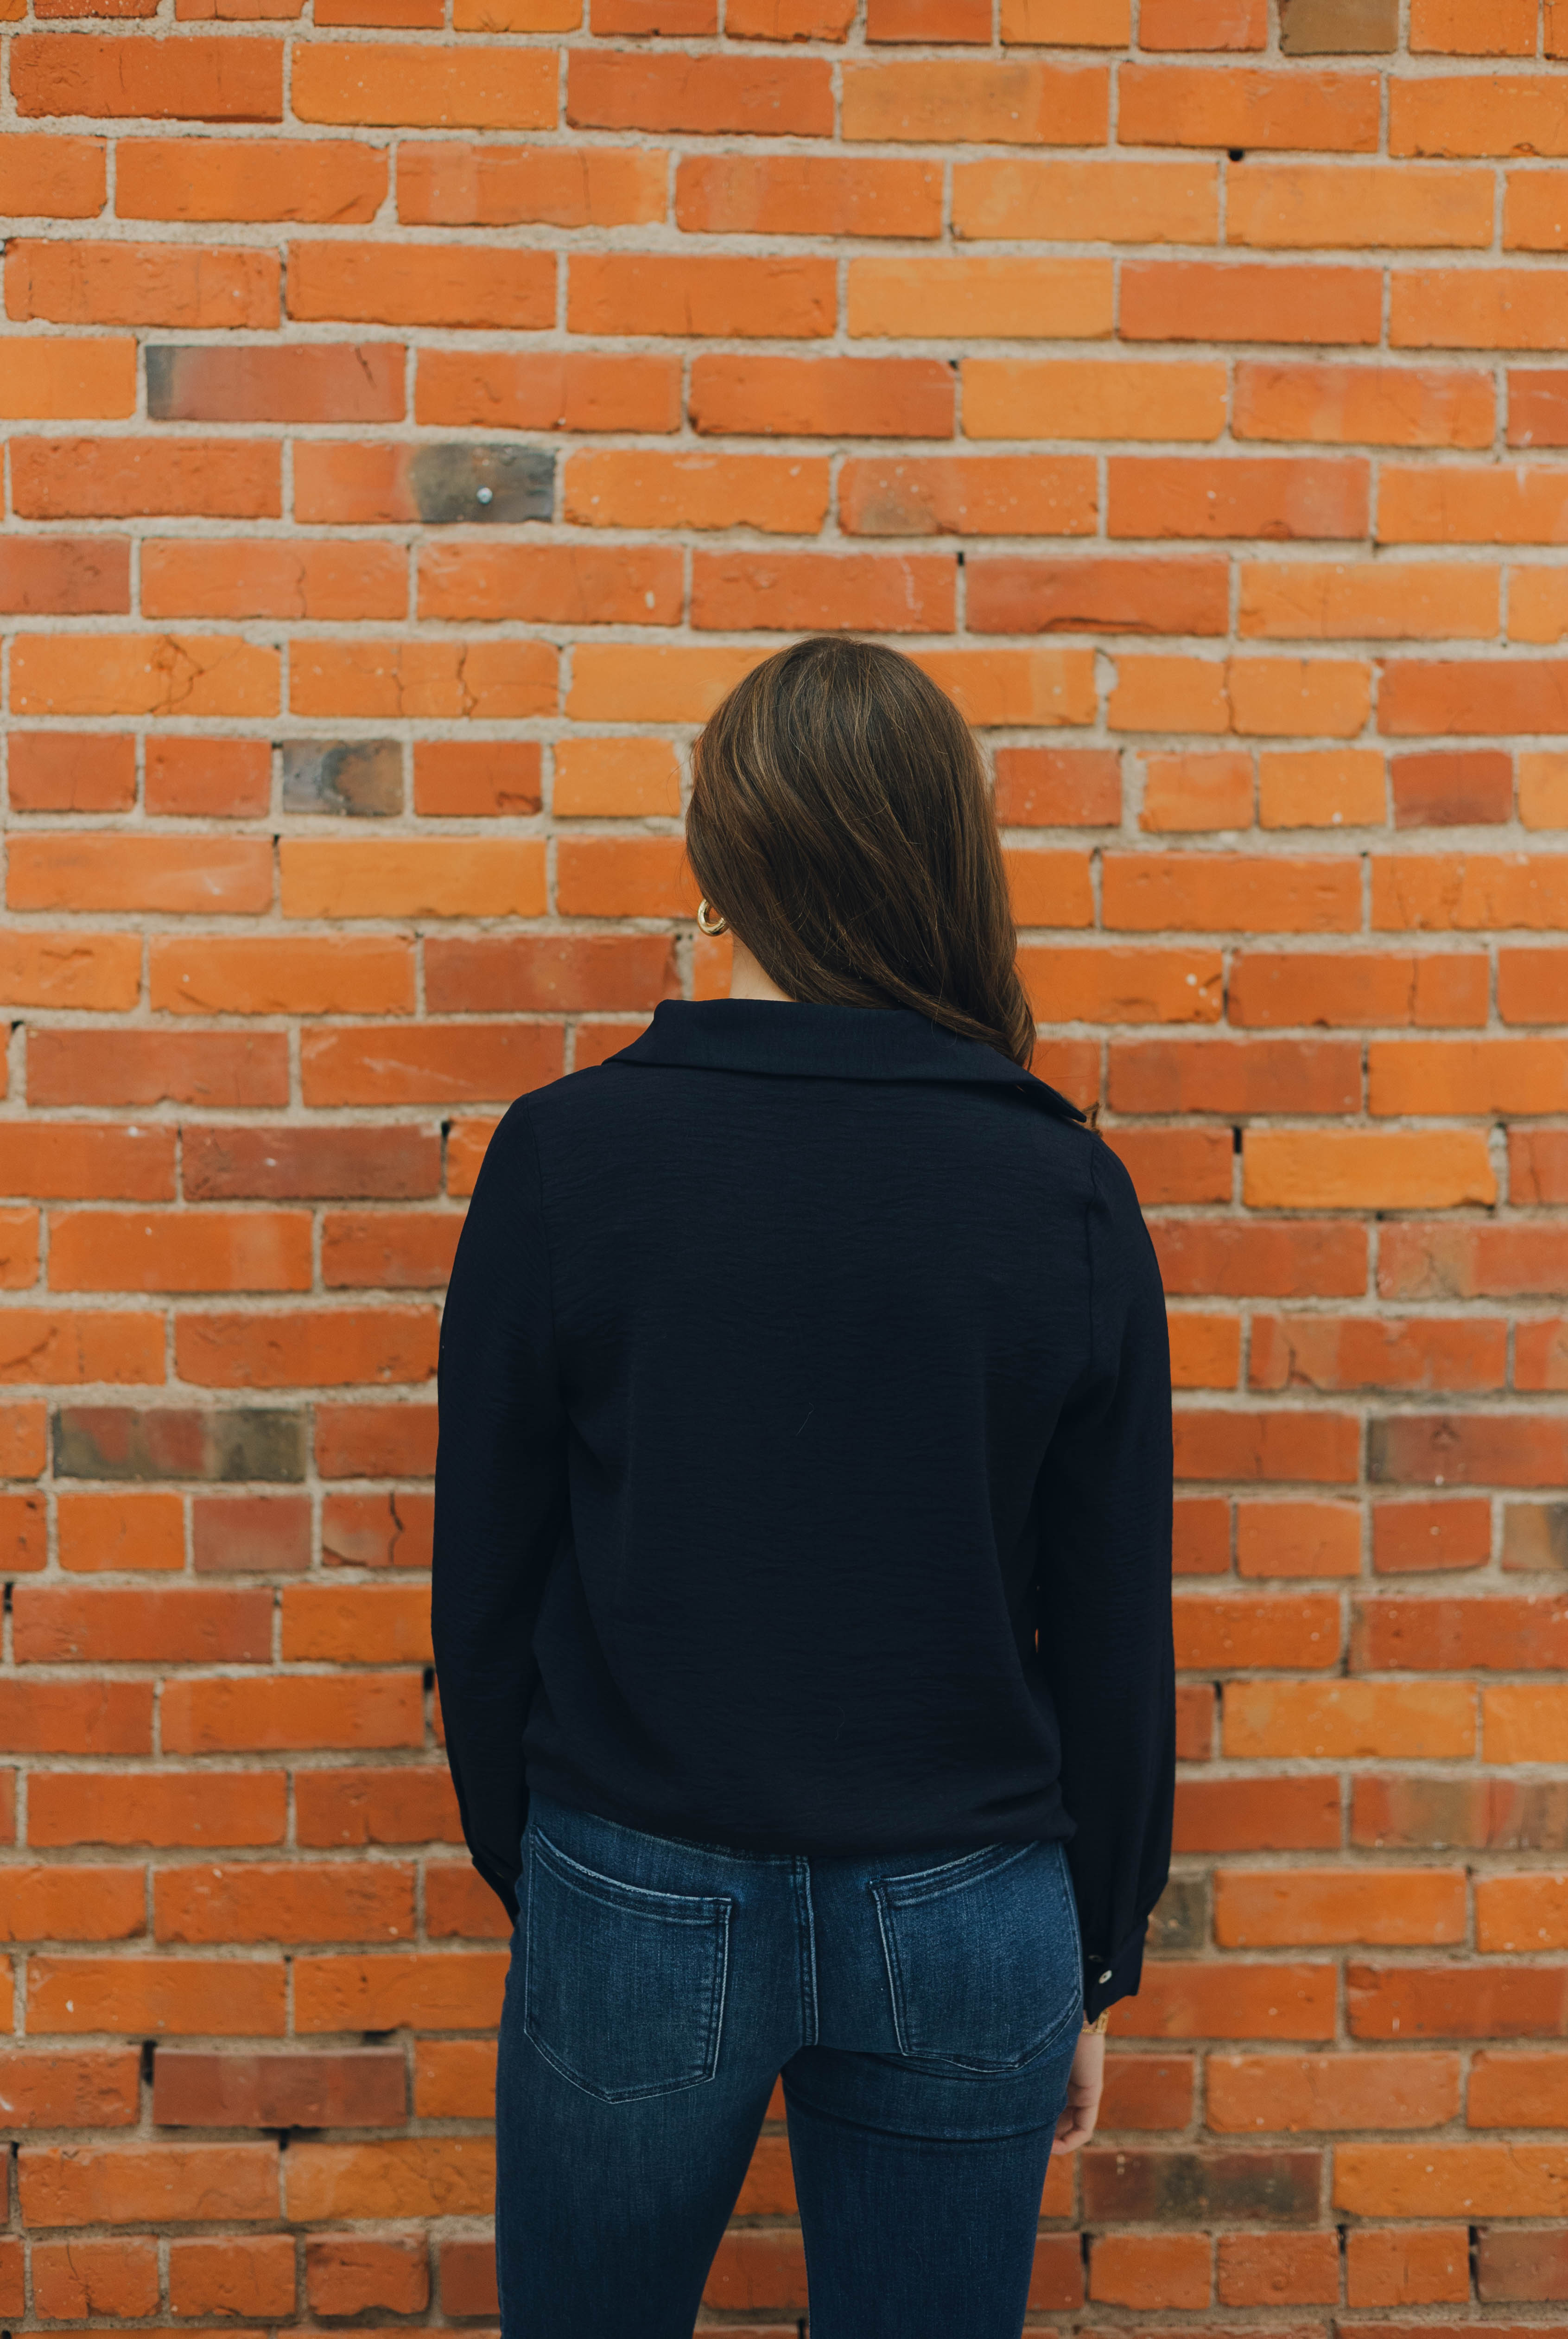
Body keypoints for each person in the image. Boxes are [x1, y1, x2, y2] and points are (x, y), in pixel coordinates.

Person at [432, 635, 1174, 2339]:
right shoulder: (1061, 1189)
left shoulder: (567, 1159)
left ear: (722, 855)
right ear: (941, 860)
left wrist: (544, 1868)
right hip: (974, 1903)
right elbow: (1119, 1624)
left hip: (633, 1879)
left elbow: (482, 1583)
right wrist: (1098, 1952)